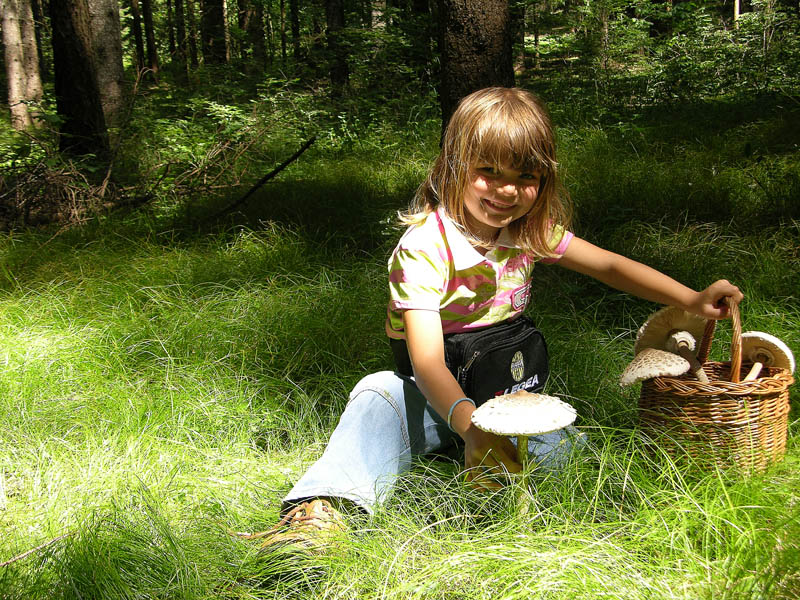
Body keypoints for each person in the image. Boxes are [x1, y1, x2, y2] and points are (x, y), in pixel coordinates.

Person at [256, 87, 743, 550]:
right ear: (454, 165)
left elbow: (611, 266)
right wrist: (472, 430)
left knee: (575, 460)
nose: (507, 190)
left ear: (543, 181)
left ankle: (574, 499)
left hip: (507, 401)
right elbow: (425, 363)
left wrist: (692, 299)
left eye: (526, 176)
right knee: (377, 393)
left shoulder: (528, 231)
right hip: (430, 398)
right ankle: (321, 510)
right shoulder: (426, 246)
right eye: (487, 170)